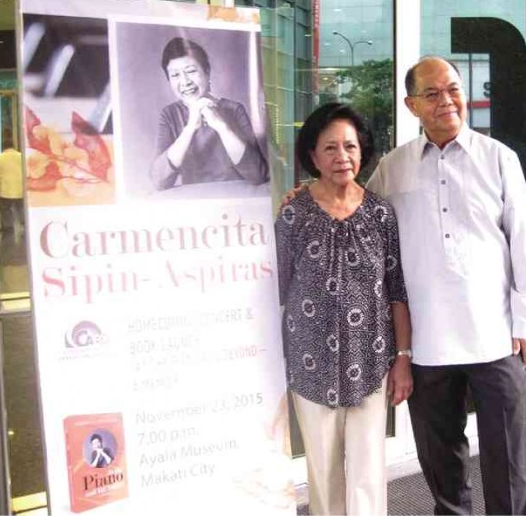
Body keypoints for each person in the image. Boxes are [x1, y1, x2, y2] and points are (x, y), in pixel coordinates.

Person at [366, 56, 526, 515]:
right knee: (441, 461)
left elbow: (525, 242)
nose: (447, 101)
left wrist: (525, 322)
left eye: (453, 89)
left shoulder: (498, 158)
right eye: (432, 94)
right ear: (411, 105)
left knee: (508, 460)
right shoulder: (393, 168)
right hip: (426, 344)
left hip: (495, 334)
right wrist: (309, 196)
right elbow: (358, 216)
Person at [275, 102, 412, 516]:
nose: (342, 157)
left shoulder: (380, 213)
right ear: (312, 156)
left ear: (362, 151)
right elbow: (275, 292)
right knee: (323, 473)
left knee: (369, 474)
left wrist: (402, 359)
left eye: (350, 147)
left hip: (370, 362)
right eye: (330, 148)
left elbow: (397, 292)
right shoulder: (293, 213)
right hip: (310, 362)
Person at [150, 37, 268, 190]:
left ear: (207, 72)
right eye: (175, 75)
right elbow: (159, 181)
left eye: (191, 71)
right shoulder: (170, 115)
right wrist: (190, 128)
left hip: (236, 200)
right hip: (196, 203)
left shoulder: (234, 109)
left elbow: (258, 174)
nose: (185, 82)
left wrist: (221, 127)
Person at [0, 131, 24, 241]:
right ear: (14, 146)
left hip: (5, 189)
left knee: (5, 209)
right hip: (20, 189)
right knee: (20, 208)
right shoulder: (21, 156)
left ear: (3, 147)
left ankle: (8, 228)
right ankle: (24, 225)